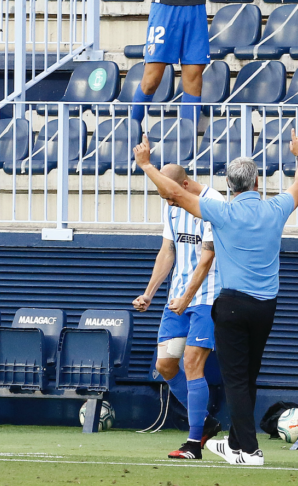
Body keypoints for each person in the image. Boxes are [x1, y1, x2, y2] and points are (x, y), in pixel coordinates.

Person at [133, 129, 298, 466]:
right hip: (266, 307)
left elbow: (174, 192)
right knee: (248, 376)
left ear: (229, 187)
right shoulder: (275, 209)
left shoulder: (222, 212)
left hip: (230, 305)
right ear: (258, 182)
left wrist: (146, 165)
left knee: (235, 380)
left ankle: (249, 450)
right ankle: (236, 443)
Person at [132, 164, 223, 460]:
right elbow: (167, 251)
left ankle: (194, 442)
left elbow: (207, 258)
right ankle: (206, 421)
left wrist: (188, 297)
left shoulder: (213, 205)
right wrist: (149, 292)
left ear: (184, 184)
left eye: (171, 195)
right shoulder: (171, 206)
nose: (169, 202)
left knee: (192, 362)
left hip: (207, 297)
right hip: (177, 298)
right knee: (166, 365)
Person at [130, 0, 210, 127]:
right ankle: (129, 134)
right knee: (151, 80)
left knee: (194, 77)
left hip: (196, 8)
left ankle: (187, 143)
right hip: (165, 8)